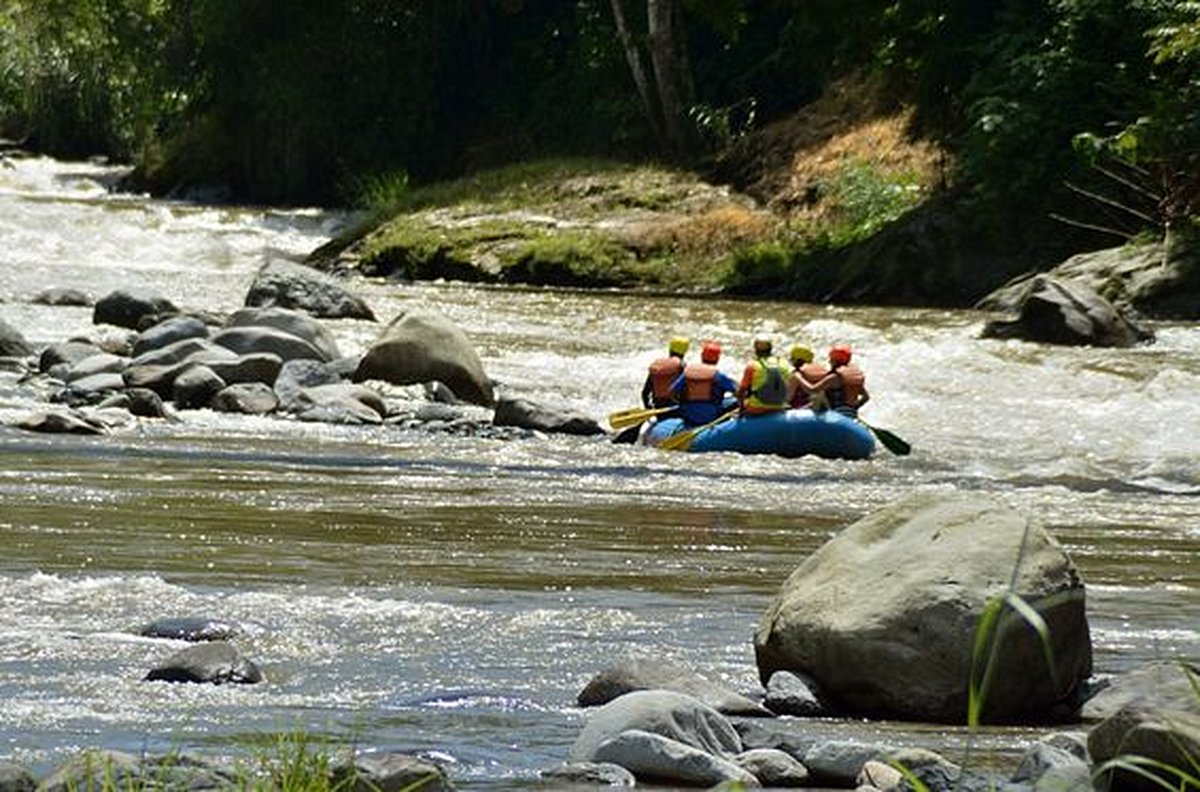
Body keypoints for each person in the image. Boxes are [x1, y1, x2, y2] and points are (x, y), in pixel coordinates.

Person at [669, 340, 738, 425]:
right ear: (717, 359)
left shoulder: (688, 372)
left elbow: (672, 392)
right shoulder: (718, 376)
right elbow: (738, 392)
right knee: (735, 402)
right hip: (712, 416)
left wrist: (683, 405)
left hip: (688, 414)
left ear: (702, 356)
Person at [736, 336, 792, 415]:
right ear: (771, 349)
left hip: (756, 408)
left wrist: (741, 408)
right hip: (780, 406)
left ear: (756, 351)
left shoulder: (752, 366)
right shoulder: (784, 364)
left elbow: (741, 391)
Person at [823, 343, 870, 416]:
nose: (829, 361)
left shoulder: (833, 377)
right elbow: (866, 397)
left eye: (831, 359)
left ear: (834, 361)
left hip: (835, 415)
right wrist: (854, 408)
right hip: (851, 413)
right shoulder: (851, 378)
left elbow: (813, 390)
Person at [641, 336, 688, 409]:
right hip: (675, 407)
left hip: (658, 407)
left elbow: (645, 393)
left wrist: (648, 408)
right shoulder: (681, 365)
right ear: (685, 352)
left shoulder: (657, 365)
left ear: (670, 349)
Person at [786, 344, 834, 409]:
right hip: (822, 407)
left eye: (793, 358)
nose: (791, 361)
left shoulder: (798, 374)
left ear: (798, 360)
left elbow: (788, 398)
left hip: (800, 410)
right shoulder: (823, 370)